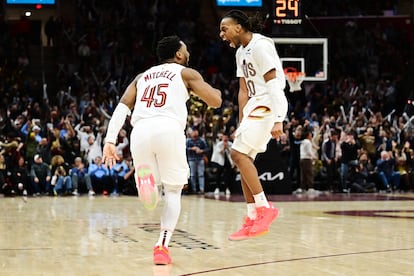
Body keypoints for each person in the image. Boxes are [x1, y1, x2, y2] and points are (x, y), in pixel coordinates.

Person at [102, 36, 222, 265]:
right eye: (185, 50)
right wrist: (215, 91)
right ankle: (162, 247)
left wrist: (110, 140)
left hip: (140, 131)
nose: (188, 54)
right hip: (169, 129)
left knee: (151, 191)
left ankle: (146, 184)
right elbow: (215, 101)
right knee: (174, 191)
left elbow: (121, 108)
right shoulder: (186, 73)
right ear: (178, 54)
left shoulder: (142, 76)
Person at [219, 10, 288, 241]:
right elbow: (243, 89)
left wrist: (279, 117)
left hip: (267, 103)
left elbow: (274, 83)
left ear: (238, 27)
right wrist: (242, 120)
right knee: (242, 159)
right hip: (253, 107)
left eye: (224, 29)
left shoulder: (261, 46)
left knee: (238, 154)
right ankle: (252, 217)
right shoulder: (240, 52)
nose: (222, 34)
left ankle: (265, 208)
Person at [186, 129, 208, 194]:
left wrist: (201, 151)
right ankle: (194, 189)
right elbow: (185, 148)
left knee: (201, 174)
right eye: (193, 132)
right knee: (192, 175)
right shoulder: (188, 141)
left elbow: (206, 149)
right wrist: (192, 148)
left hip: (200, 159)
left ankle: (202, 189)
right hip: (192, 159)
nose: (195, 134)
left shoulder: (201, 140)